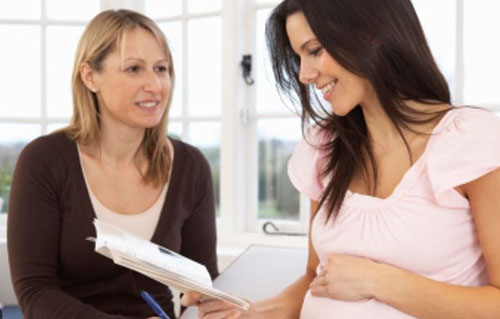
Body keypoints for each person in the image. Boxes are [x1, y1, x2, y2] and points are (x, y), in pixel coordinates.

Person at [181, 0, 500, 318]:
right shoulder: (325, 147)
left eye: (314, 50)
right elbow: (314, 279)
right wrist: (252, 313)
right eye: (299, 57)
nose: (305, 74)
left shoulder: (471, 142)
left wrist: (379, 280)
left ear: (369, 34)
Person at [7, 9, 218, 319]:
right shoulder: (44, 161)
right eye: (134, 69)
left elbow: (205, 283)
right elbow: (35, 292)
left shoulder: (191, 166)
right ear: (90, 76)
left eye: (161, 69)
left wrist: (210, 304)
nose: (155, 85)